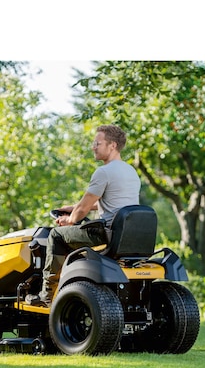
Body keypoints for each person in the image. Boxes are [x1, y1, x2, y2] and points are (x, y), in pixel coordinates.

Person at [26, 124, 141, 307]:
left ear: (112, 145)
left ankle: (47, 296)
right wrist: (73, 208)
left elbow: (83, 210)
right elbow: (109, 202)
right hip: (128, 235)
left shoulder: (104, 172)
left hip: (106, 234)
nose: (93, 146)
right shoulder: (130, 171)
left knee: (56, 235)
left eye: (97, 143)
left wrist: (69, 219)